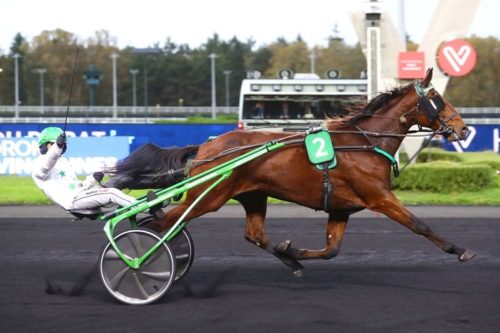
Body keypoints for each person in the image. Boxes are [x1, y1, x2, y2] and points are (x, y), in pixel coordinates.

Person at [32, 127, 136, 213]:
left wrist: (92, 178)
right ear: (44, 145)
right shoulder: (39, 164)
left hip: (79, 196)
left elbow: (79, 186)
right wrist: (57, 146)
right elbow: (48, 162)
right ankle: (144, 208)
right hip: (72, 201)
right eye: (52, 144)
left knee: (117, 183)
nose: (58, 146)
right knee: (112, 193)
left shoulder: (63, 162)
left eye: (60, 144)